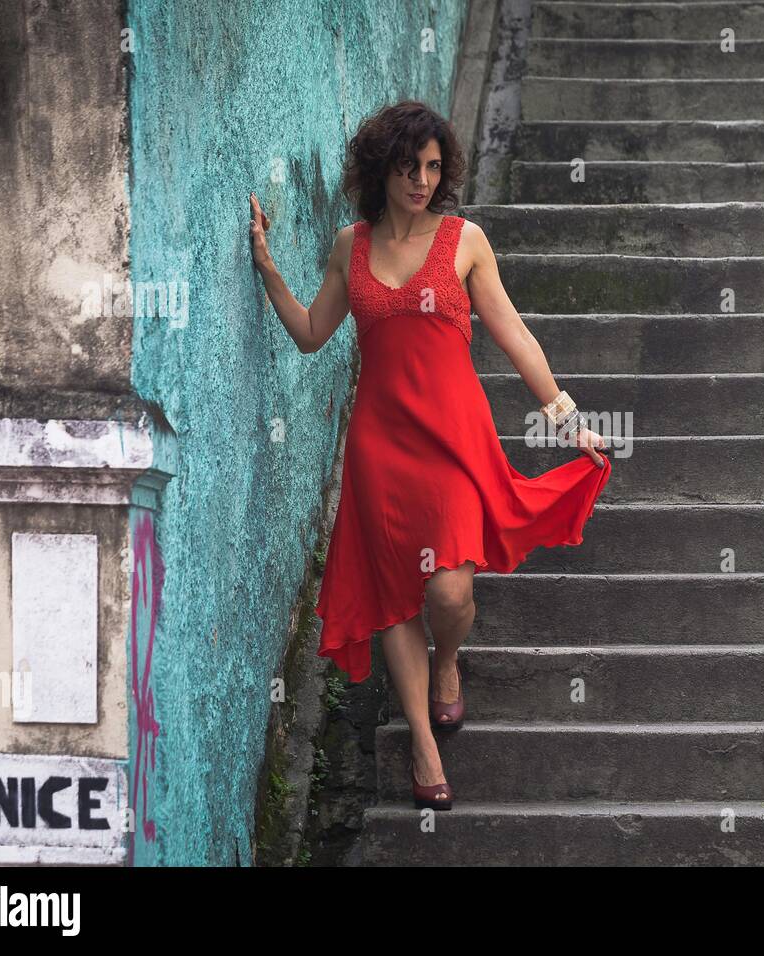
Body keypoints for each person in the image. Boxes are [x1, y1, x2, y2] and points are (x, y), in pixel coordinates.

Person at [248, 100, 613, 811]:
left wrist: (568, 420)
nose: (421, 180)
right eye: (408, 167)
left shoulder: (464, 240)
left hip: (451, 442)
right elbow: (311, 334)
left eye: (433, 167)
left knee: (448, 590)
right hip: (380, 449)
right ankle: (419, 738)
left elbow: (512, 333)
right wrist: (267, 269)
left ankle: (448, 660)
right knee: (392, 598)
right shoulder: (348, 246)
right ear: (381, 169)